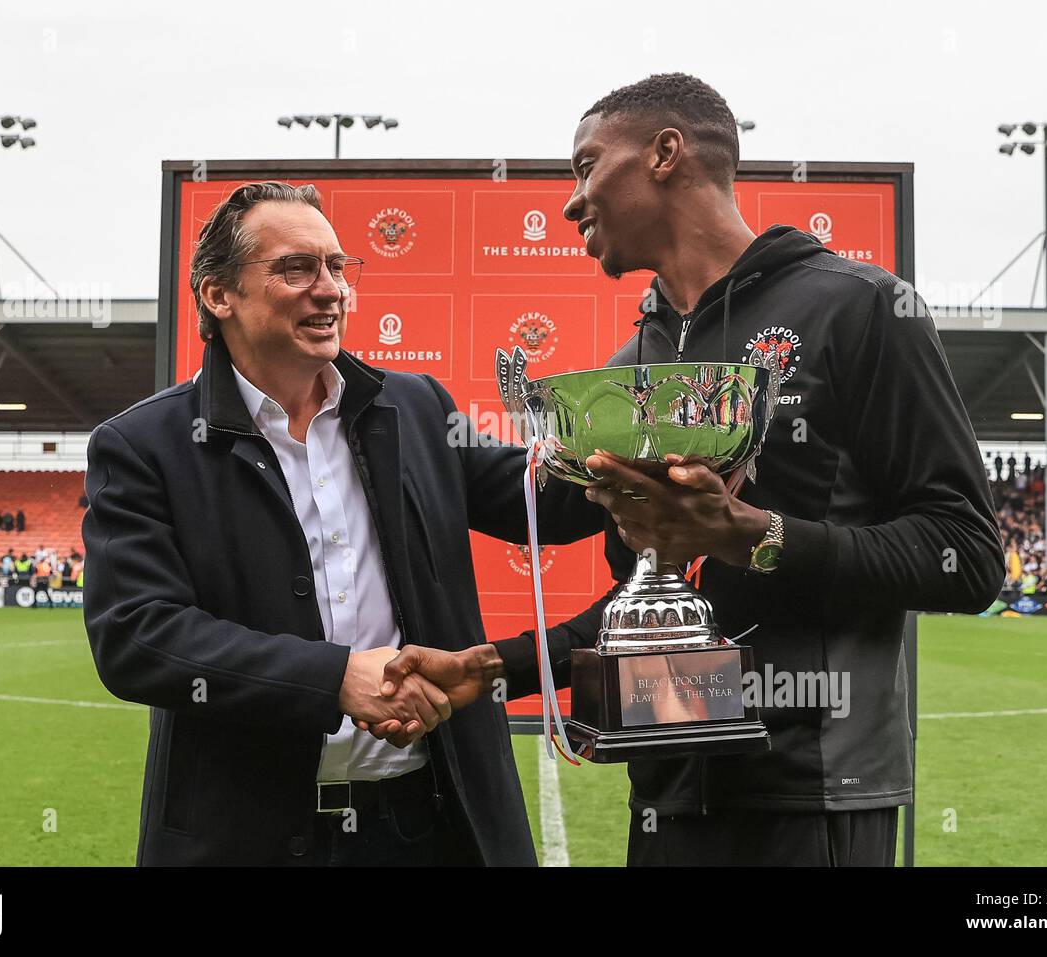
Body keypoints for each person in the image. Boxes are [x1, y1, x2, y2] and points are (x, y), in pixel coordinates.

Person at [376, 73, 1004, 867]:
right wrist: (378, 407)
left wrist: (755, 533)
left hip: (810, 796)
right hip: (665, 790)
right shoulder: (639, 358)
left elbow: (969, 556)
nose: (571, 203)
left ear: (666, 153)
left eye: (585, 165)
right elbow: (646, 588)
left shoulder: (860, 308)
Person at [81, 181, 601, 866]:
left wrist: (637, 459)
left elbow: (543, 503)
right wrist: (332, 677)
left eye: (337, 266)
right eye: (296, 268)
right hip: (250, 837)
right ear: (218, 295)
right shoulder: (144, 443)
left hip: (433, 825)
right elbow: (136, 636)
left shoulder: (414, 408)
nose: (330, 289)